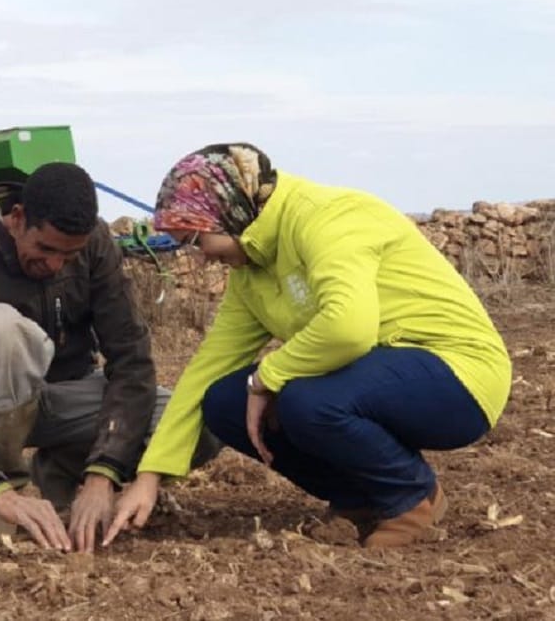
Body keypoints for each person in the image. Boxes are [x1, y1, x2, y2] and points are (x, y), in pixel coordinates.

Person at [102, 143, 511, 549]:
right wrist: (150, 477)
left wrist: (269, 375)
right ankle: (358, 498)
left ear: (229, 211)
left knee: (302, 398)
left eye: (194, 239)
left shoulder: (327, 218)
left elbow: (349, 328)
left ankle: (410, 497)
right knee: (223, 400)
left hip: (457, 375)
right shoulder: (252, 270)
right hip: (376, 374)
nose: (202, 257)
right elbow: (207, 367)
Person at [0, 162, 218, 553]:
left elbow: (130, 360)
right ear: (17, 218)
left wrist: (104, 473)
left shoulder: (96, 243)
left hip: (69, 400)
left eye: (70, 255)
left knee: (201, 421)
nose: (54, 265)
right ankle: (7, 500)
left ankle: (65, 473)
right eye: (45, 249)